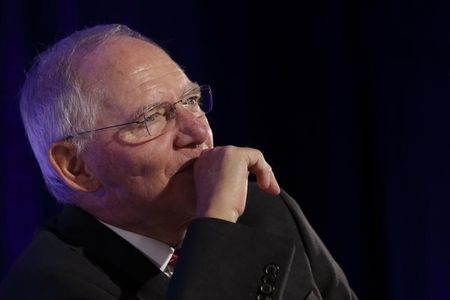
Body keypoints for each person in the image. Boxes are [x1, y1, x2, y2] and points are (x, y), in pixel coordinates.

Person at [0, 24, 357, 300]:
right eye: (152, 117)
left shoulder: (265, 209)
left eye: (192, 100)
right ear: (77, 167)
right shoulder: (45, 284)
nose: (198, 131)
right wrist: (217, 227)